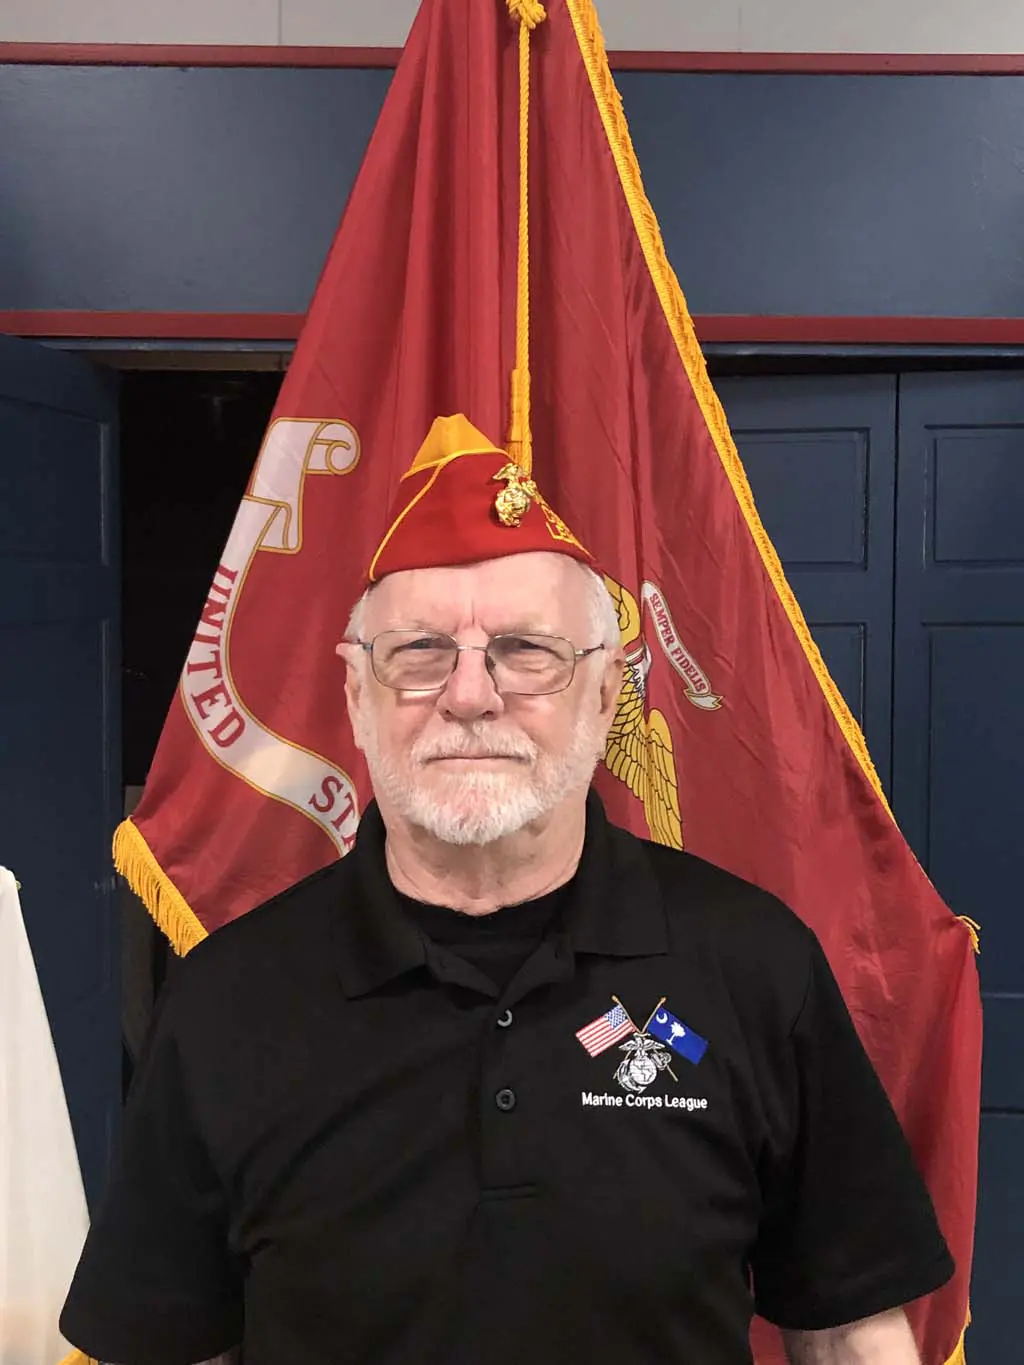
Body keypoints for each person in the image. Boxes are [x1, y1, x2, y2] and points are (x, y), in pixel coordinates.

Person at [62, 415, 953, 1365]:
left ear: (604, 694)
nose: (470, 695)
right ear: (357, 695)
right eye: (419, 653)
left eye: (527, 650)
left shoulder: (755, 965)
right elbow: (165, 1346)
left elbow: (849, 1327)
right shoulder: (228, 998)